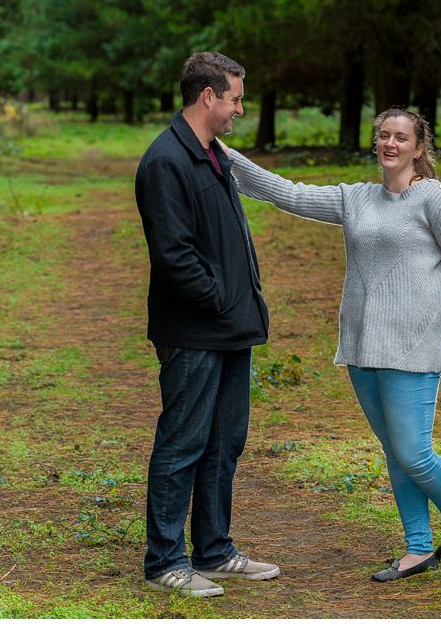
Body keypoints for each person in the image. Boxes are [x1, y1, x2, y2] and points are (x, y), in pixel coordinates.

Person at [220, 108, 441, 582]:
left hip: (412, 348)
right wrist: (224, 156)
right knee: (394, 451)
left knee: (414, 452)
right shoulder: (357, 199)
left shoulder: (435, 201)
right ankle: (418, 547)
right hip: (363, 346)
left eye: (400, 138)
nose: (390, 144)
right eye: (383, 135)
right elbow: (288, 193)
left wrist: (429, 307)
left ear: (419, 148)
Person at [134, 52, 280, 597]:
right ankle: (165, 561)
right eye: (236, 98)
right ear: (208, 97)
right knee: (183, 443)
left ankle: (214, 551)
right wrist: (219, 300)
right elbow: (174, 255)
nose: (241, 108)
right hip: (195, 331)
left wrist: (239, 305)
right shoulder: (166, 160)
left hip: (230, 328)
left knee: (225, 443)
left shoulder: (214, 154)